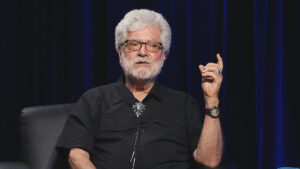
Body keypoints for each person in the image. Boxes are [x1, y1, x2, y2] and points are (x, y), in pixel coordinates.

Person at [56, 9, 223, 169]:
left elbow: (209, 161)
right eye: (133, 44)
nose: (143, 52)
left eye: (152, 45)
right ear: (120, 52)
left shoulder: (184, 104)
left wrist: (211, 99)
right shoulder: (94, 100)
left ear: (163, 56)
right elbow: (76, 155)